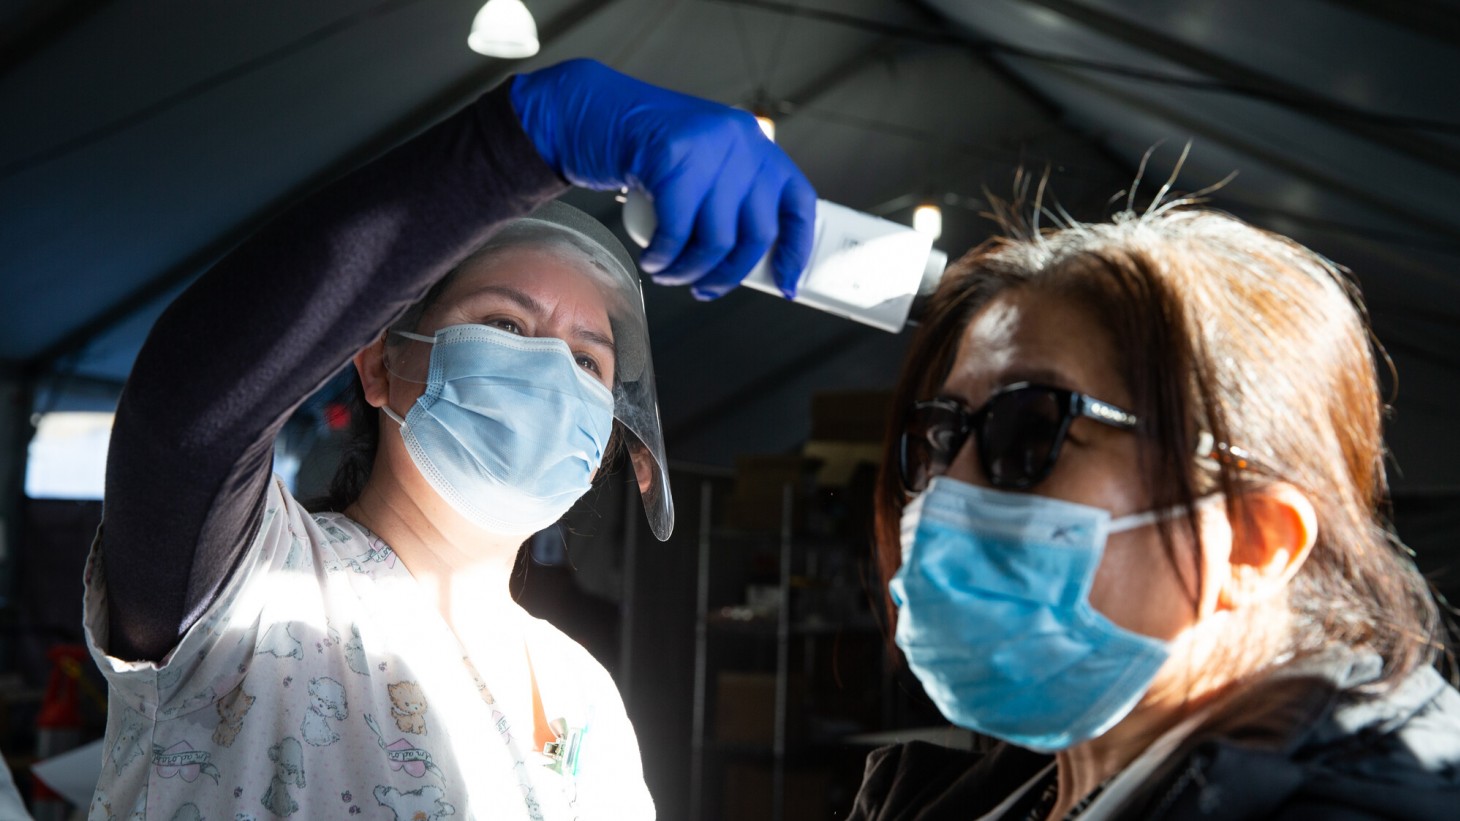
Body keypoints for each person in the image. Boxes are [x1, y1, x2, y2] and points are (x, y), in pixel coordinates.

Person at [83, 58, 815, 820]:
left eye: (587, 360)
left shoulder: (579, 693)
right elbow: (186, 418)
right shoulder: (253, 585)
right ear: (378, 362)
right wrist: (518, 144)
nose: (551, 373)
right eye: (505, 323)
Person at [849, 201, 1460, 820]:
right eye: (945, 434)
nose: (946, 494)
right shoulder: (1001, 791)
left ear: (1252, 541)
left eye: (1030, 433)